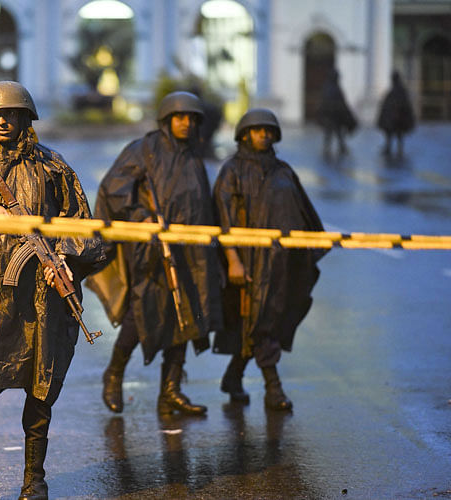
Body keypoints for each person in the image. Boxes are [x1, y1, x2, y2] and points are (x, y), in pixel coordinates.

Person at [0, 81, 105, 500]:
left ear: (26, 118)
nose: (3, 121)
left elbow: (82, 222)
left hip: (39, 296)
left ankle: (35, 479)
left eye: (11, 114)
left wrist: (65, 255)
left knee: (39, 382)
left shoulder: (53, 167)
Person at [86, 91, 224, 417]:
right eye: (180, 117)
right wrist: (140, 218)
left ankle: (171, 391)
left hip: (190, 250)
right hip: (151, 249)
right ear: (166, 119)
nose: (186, 123)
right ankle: (114, 373)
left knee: (184, 313)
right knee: (142, 311)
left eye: (191, 118)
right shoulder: (145, 150)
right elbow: (114, 186)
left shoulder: (193, 155)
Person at [212, 108, 327, 411]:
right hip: (248, 263)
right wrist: (233, 260)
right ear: (245, 134)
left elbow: (304, 213)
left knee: (267, 321)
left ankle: (233, 376)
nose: (263, 134)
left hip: (282, 264)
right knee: (259, 322)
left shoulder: (284, 171)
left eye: (268, 130)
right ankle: (272, 388)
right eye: (257, 129)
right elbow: (222, 218)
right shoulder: (232, 170)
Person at [316, 68, 357, 156]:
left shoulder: (329, 87)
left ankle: (339, 148)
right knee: (332, 133)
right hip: (332, 116)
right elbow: (339, 103)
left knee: (334, 133)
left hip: (334, 116)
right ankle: (336, 148)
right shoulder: (332, 88)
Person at [376, 71, 415, 156]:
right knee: (394, 134)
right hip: (395, 118)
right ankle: (391, 148)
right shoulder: (396, 90)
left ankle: (394, 148)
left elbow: (403, 105)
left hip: (398, 118)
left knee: (397, 134)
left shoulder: (399, 91)